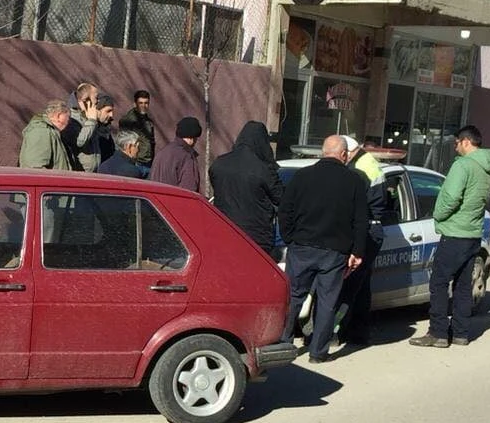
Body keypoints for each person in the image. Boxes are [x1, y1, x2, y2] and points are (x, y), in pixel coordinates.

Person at [278, 134, 369, 363]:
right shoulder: (354, 181)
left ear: (323, 152)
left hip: (302, 247)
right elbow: (361, 220)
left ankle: (284, 343)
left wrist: (290, 238)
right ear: (344, 154)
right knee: (328, 303)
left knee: (293, 296)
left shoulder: (302, 176)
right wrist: (357, 252)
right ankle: (318, 352)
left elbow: (285, 210)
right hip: (335, 251)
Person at [411, 124, 490, 348]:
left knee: (439, 282)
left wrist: (437, 214)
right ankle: (460, 332)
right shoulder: (488, 168)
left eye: (457, 142)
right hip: (472, 232)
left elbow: (451, 197)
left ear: (466, 142)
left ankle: (438, 332)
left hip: (455, 232)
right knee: (462, 285)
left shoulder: (463, 165)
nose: (455, 147)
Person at [336, 135, 390, 346]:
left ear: (348, 153)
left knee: (349, 284)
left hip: (366, 229)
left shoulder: (357, 170)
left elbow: (355, 206)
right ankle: (359, 332)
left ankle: (339, 331)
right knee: (361, 284)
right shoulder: (368, 162)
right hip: (371, 228)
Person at [208, 120, 282, 255]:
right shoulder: (263, 169)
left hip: (224, 230)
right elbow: (280, 197)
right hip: (256, 236)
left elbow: (216, 188)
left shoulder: (219, 164)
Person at [63, 84, 116, 171]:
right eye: (96, 97)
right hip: (81, 173)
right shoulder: (72, 119)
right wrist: (91, 121)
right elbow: (79, 142)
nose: (97, 101)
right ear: (85, 100)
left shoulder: (87, 117)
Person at [150, 117, 203, 192]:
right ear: (192, 138)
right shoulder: (187, 156)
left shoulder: (162, 153)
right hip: (174, 198)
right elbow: (189, 189)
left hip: (156, 198)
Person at [19, 100, 75, 170]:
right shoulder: (41, 131)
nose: (68, 122)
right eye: (68, 117)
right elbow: (35, 168)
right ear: (59, 115)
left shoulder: (50, 132)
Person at [119, 90, 156, 172]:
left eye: (146, 103)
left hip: (148, 162)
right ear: (135, 104)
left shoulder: (148, 121)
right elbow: (122, 143)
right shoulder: (128, 120)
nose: (143, 106)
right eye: (140, 103)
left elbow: (151, 142)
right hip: (136, 162)